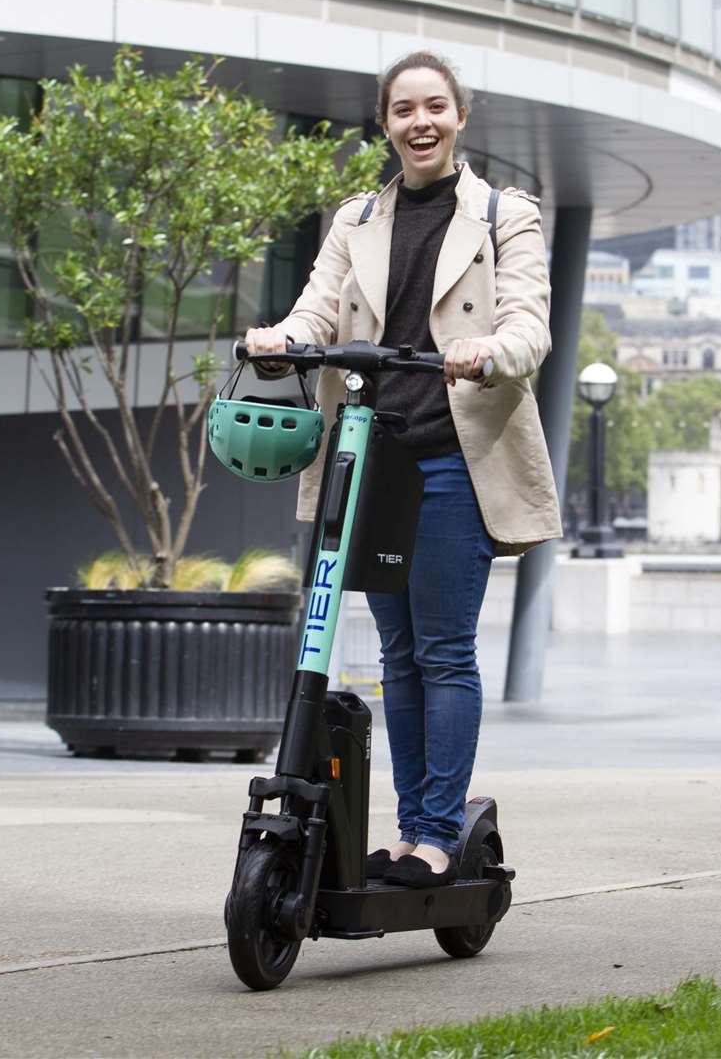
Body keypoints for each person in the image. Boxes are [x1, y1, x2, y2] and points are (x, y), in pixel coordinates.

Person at [243, 51, 561, 887]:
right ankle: (410, 827)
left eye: (434, 108)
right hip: (371, 459)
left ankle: (435, 833)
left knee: (443, 651)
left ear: (460, 117)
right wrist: (281, 340)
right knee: (395, 654)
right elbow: (318, 304)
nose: (419, 123)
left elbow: (530, 323)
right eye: (402, 110)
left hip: (457, 457)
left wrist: (489, 351)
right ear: (384, 124)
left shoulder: (503, 214)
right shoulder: (356, 218)